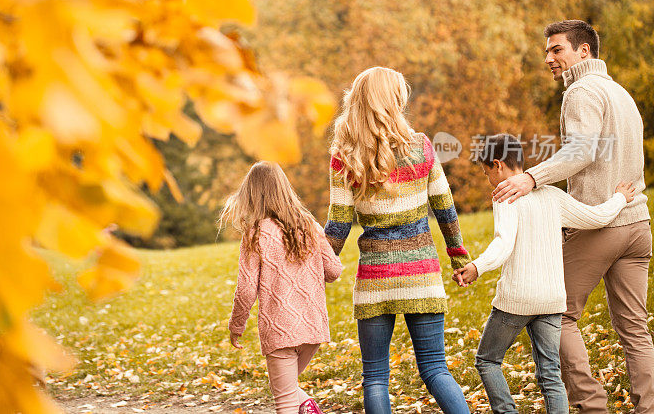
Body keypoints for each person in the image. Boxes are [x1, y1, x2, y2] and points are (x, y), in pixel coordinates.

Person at [492, 19, 654, 413]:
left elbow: (580, 153)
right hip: (638, 226)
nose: (549, 58)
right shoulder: (620, 92)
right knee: (635, 328)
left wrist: (531, 177)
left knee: (556, 314)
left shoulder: (581, 92)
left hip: (601, 224)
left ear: (584, 51)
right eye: (547, 51)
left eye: (557, 49)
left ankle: (592, 406)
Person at [325, 66, 471, 414]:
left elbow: (338, 224)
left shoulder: (345, 156)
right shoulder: (421, 146)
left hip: (376, 277)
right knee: (435, 368)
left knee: (375, 376)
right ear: (393, 100)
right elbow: (445, 208)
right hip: (422, 272)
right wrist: (459, 258)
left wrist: (319, 268)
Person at [455, 134, 636, 414]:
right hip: (552, 299)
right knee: (551, 373)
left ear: (498, 164)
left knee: (487, 361)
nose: (488, 178)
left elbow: (504, 243)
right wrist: (620, 198)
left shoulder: (504, 195)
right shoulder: (553, 195)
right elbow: (596, 217)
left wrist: (477, 266)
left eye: (486, 172)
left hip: (518, 299)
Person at [224, 161, 343, 414]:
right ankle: (308, 407)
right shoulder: (309, 224)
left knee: (285, 400)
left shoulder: (256, 233)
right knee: (288, 389)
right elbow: (333, 272)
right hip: (312, 329)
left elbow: (245, 289)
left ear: (252, 194)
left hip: (280, 331)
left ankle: (307, 407)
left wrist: (236, 326)